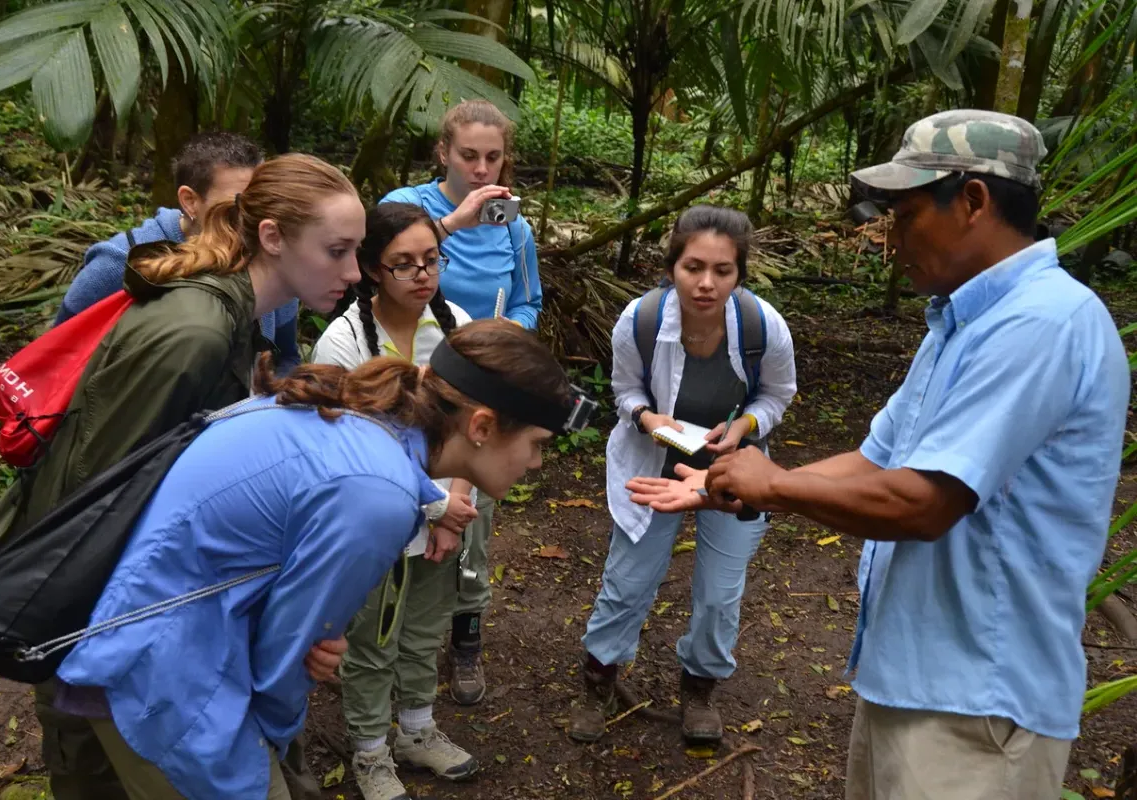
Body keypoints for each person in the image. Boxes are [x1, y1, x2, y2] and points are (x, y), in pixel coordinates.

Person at [626, 111, 1131, 800]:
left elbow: (923, 503)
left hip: (978, 705)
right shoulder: (961, 323)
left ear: (975, 201)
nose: (890, 238)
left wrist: (773, 485)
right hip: (916, 679)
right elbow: (877, 459)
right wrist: (736, 481)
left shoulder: (1040, 324)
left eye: (907, 213)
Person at [53, 320, 580, 800]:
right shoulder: (377, 497)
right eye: (536, 444)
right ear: (482, 427)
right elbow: (284, 665)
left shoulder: (362, 419)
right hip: (168, 684)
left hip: (143, 637)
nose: (536, 462)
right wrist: (276, 741)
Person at [0, 153, 366, 800]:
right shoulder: (194, 331)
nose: (354, 273)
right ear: (273, 237)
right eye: (336, 251)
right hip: (88, 620)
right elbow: (94, 499)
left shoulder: (230, 316)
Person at [568, 206, 797, 746]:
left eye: (723, 270)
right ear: (672, 266)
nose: (706, 283)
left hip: (732, 467)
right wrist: (649, 419)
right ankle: (597, 681)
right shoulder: (641, 320)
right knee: (627, 583)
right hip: (653, 465)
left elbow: (777, 395)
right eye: (694, 267)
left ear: (740, 274)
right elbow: (625, 391)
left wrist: (743, 425)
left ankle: (699, 689)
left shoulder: (764, 327)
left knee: (720, 593)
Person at [311, 203, 481, 799]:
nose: (421, 275)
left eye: (430, 260)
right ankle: (369, 753)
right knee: (371, 634)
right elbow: (345, 443)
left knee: (425, 625)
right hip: (376, 516)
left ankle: (416, 731)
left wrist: (453, 509)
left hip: (452, 510)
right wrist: (432, 506)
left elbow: (470, 426)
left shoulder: (455, 322)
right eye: (403, 264)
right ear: (372, 270)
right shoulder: (345, 338)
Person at [382, 99, 543, 705]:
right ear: (443, 153)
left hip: (481, 386)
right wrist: (456, 222)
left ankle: (466, 635)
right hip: (410, 386)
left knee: (471, 515)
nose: (480, 169)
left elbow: (529, 299)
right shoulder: (408, 207)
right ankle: (384, 639)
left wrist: (503, 336)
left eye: (493, 157)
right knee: (406, 503)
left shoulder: (515, 228)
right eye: (468, 155)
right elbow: (383, 265)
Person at [55, 131, 302, 373]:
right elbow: (56, 356)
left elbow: (286, 358)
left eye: (263, 202)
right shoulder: (121, 261)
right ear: (190, 201)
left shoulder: (272, 262)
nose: (255, 218)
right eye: (238, 205)